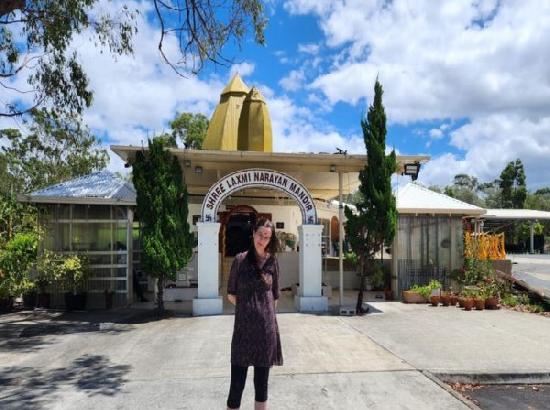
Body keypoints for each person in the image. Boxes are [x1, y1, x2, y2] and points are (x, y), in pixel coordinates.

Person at [226, 218, 283, 410]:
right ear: (253, 234)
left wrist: (264, 314)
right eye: (260, 235)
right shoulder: (240, 260)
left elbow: (275, 296)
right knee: (237, 385)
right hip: (243, 332)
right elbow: (231, 294)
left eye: (267, 237)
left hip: (265, 334)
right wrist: (248, 309)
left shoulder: (272, 261)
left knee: (261, 385)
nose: (262, 240)